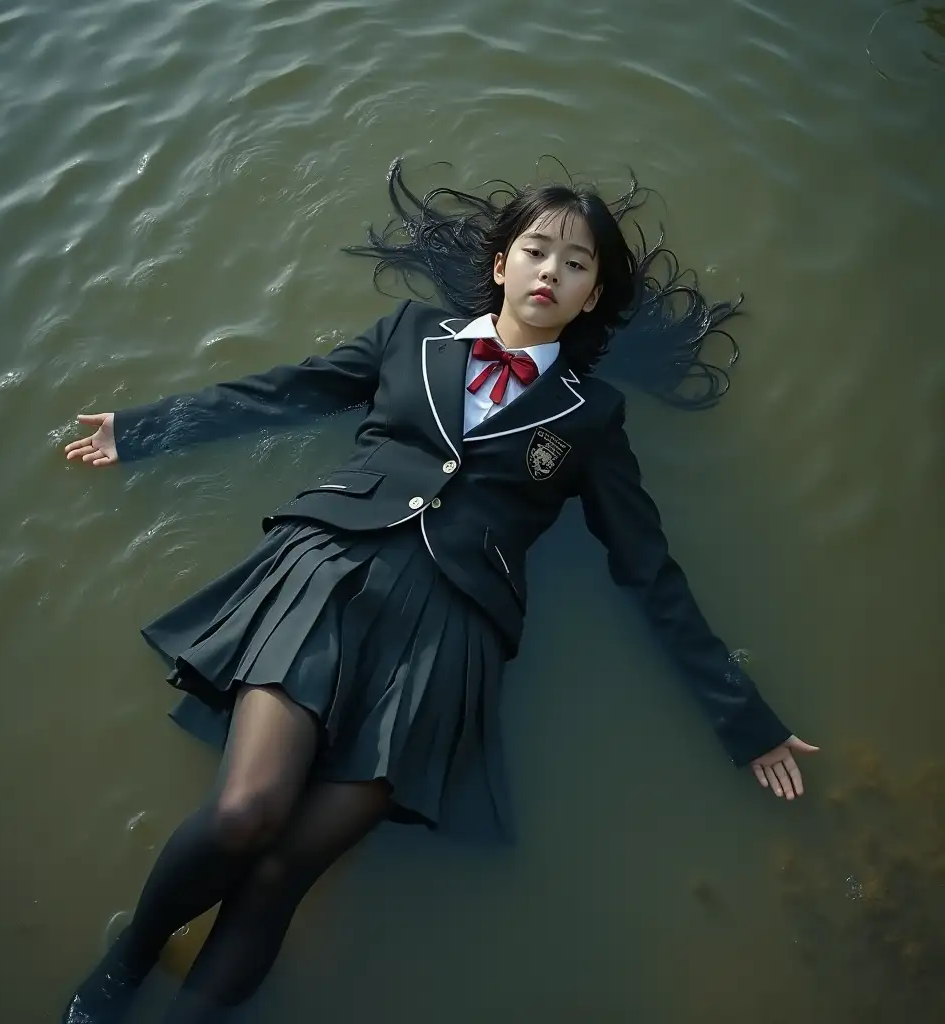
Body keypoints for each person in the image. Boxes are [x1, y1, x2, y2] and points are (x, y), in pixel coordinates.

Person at [60, 161, 818, 1023]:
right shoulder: (410, 333)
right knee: (245, 815)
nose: (550, 272)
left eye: (575, 265)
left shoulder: (591, 416)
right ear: (501, 264)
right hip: (330, 577)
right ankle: (130, 961)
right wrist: (146, 430)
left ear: (592, 295)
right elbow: (287, 391)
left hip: (448, 642)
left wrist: (745, 720)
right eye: (536, 250)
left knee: (281, 875)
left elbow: (649, 570)